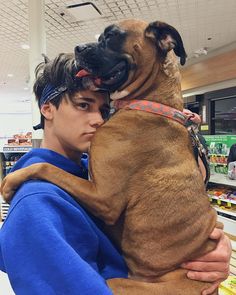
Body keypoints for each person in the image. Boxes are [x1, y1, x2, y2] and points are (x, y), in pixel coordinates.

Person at [0, 53, 231, 295]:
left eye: (104, 110)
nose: (98, 120)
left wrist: (211, 251)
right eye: (83, 105)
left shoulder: (98, 173)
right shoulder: (36, 203)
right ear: (47, 109)